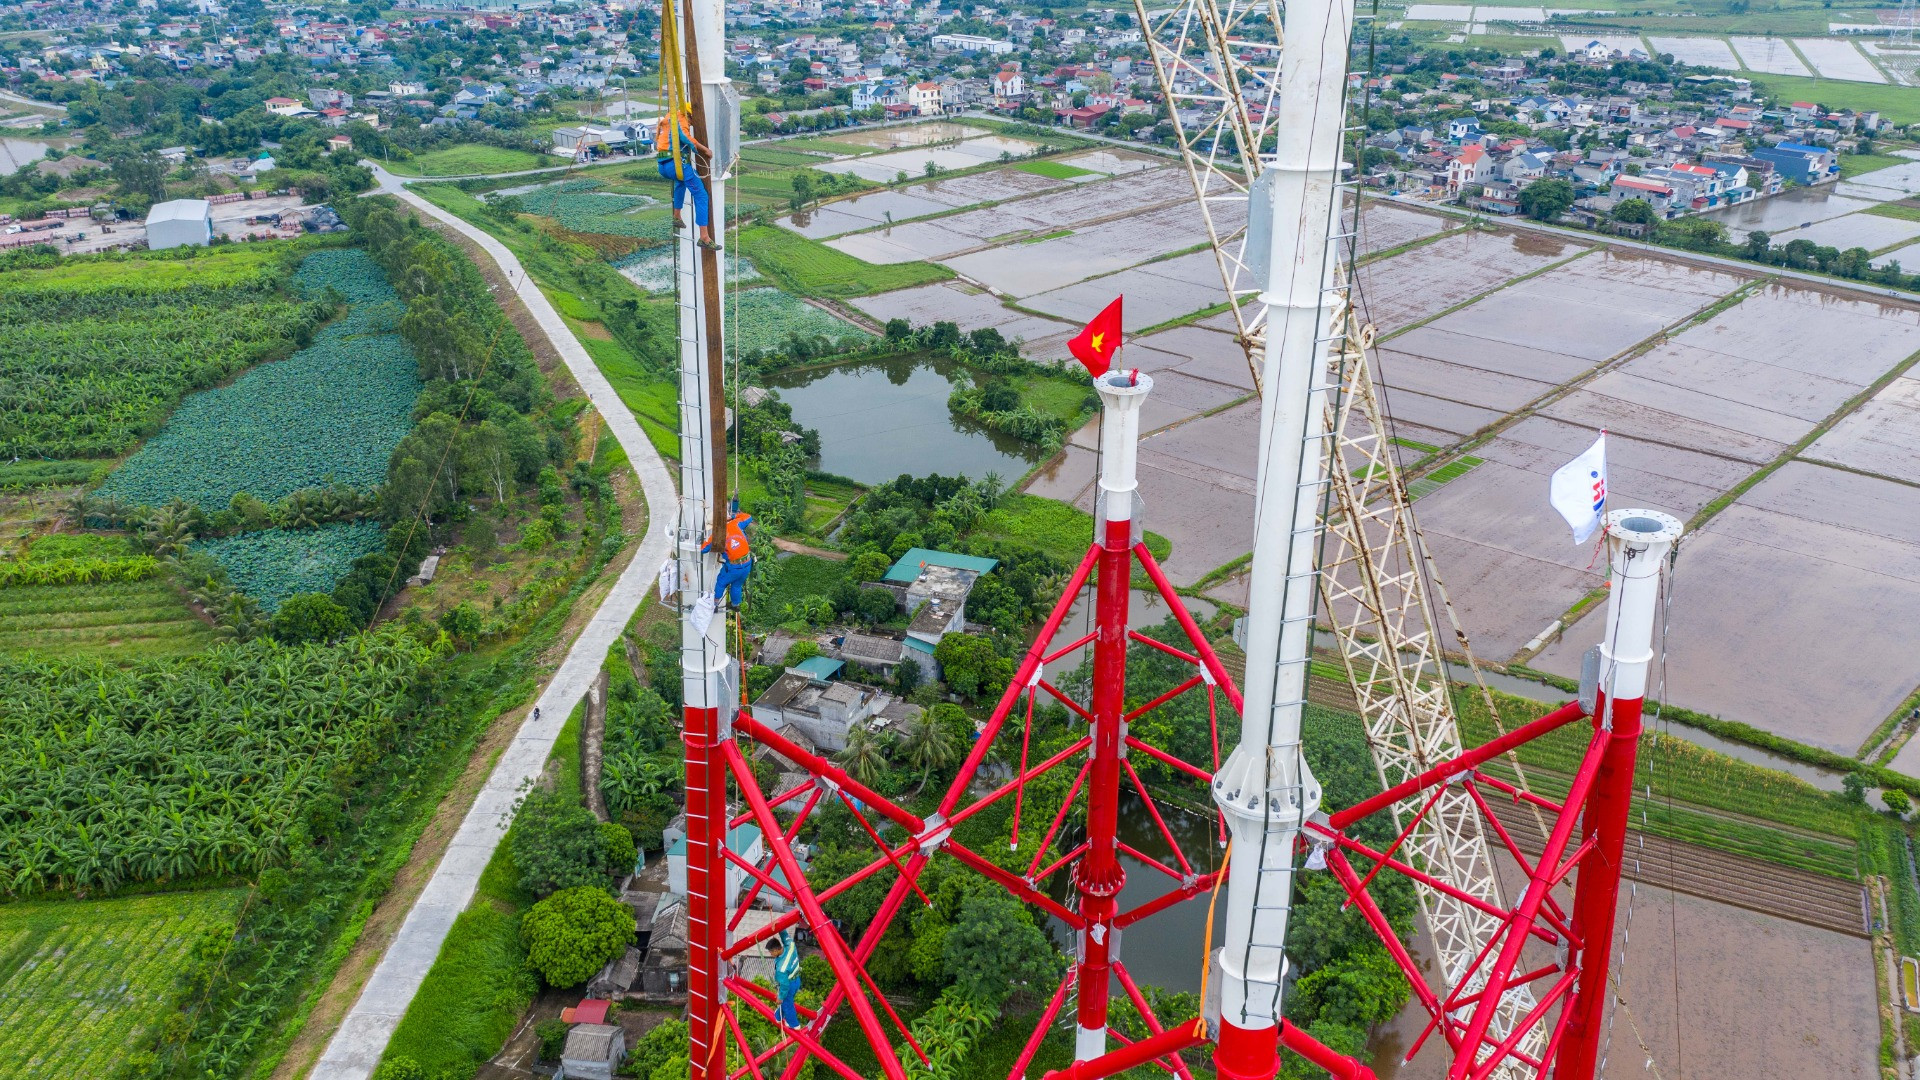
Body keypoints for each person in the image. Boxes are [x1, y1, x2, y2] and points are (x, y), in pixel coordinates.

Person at [656, 103, 718, 250]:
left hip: (662, 165)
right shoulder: (682, 119)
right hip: (676, 164)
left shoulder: (669, 117)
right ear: (690, 115)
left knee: (680, 182)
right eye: (692, 121)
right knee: (701, 195)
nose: (691, 124)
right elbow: (685, 137)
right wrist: (704, 150)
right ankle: (704, 237)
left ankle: (677, 216)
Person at [701, 503, 755, 606]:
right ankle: (736, 604)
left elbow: (704, 549)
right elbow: (748, 517)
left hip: (734, 567)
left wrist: (702, 542)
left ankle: (715, 603)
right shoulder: (736, 523)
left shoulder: (717, 535)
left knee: (721, 582)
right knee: (737, 585)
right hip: (747, 563)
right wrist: (733, 516)